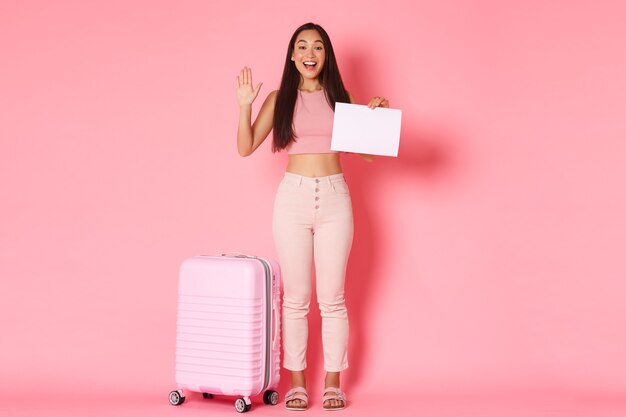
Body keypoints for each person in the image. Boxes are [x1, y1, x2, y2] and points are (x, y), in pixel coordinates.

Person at [236, 22, 388, 411]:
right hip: (292, 199)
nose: (309, 53)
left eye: (317, 47)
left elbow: (369, 155)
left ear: (326, 55)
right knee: (296, 299)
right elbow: (245, 146)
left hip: (336, 198)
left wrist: (374, 119)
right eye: (302, 47)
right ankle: (298, 384)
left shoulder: (343, 97)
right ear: (292, 56)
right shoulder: (278, 99)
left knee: (333, 299)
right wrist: (244, 105)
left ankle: (333, 384)